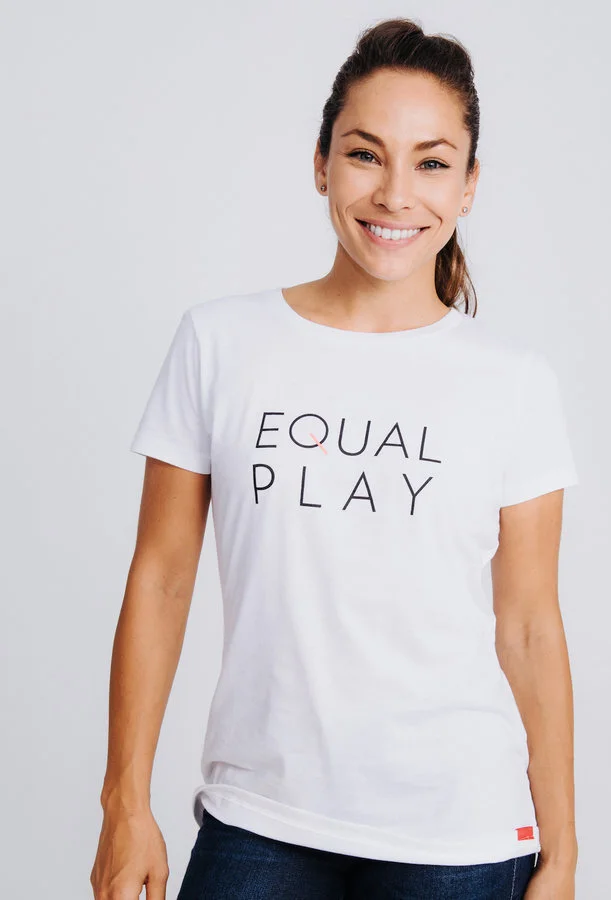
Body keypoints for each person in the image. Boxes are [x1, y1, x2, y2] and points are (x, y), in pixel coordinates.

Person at [90, 17, 580, 900]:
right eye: (364, 154)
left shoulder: (514, 383)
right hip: (260, 814)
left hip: (460, 832)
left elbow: (530, 626)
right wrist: (123, 803)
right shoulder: (221, 343)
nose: (396, 193)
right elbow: (160, 579)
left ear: (470, 186)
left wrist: (565, 849)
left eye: (432, 163)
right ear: (321, 164)